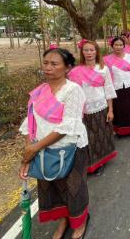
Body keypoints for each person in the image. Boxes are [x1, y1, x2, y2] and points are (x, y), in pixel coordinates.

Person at [19, 47, 89, 239]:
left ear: (67, 68)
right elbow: (30, 123)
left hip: (70, 149)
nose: (48, 67)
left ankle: (79, 222)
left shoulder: (73, 91)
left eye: (54, 64)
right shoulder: (40, 91)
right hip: (42, 150)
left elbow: (68, 126)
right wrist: (29, 152)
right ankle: (63, 220)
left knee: (74, 188)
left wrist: (35, 147)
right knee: (51, 187)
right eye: (46, 63)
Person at [68, 40, 118, 175]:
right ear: (82, 52)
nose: (89, 53)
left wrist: (111, 109)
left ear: (96, 52)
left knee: (100, 135)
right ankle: (89, 163)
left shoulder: (103, 69)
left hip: (100, 107)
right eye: (86, 50)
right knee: (86, 137)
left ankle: (100, 162)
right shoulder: (75, 71)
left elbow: (109, 89)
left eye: (92, 50)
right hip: (82, 110)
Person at [104, 37, 130, 135]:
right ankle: (120, 130)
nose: (118, 47)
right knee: (119, 109)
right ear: (112, 46)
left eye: (121, 45)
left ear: (124, 46)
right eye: (116, 45)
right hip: (116, 87)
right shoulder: (106, 60)